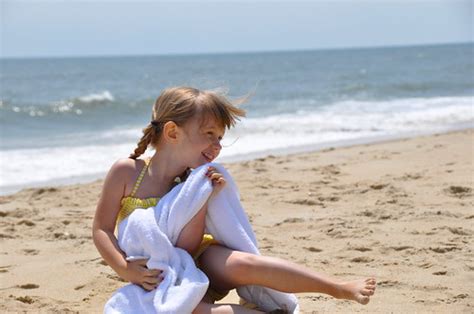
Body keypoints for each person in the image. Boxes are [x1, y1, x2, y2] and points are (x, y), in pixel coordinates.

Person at [92, 86, 376, 313]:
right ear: (172, 132)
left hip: (197, 259)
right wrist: (123, 268)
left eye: (220, 138)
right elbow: (102, 229)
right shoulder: (128, 172)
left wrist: (202, 197)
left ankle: (336, 287)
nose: (217, 146)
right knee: (196, 310)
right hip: (156, 274)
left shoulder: (193, 181)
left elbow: (187, 246)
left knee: (246, 264)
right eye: (209, 135)